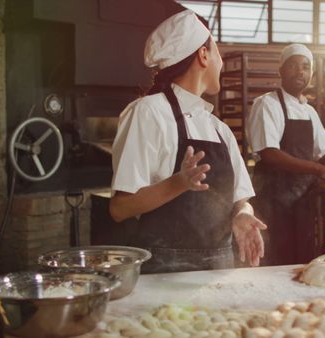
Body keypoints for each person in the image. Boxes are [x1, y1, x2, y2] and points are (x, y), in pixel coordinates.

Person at [109, 9, 266, 273]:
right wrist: (179, 183)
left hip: (218, 271)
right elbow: (120, 207)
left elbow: (241, 197)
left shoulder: (219, 129)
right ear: (203, 55)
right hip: (163, 274)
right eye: (217, 51)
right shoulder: (148, 112)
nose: (222, 61)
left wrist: (243, 214)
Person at [245, 44, 325, 266]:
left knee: (302, 259)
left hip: (302, 201)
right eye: (293, 66)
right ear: (281, 71)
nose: (300, 72)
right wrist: (319, 169)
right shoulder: (267, 104)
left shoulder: (309, 110)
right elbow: (269, 153)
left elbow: (324, 151)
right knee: (274, 260)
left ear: (311, 74)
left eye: (306, 67)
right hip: (272, 201)